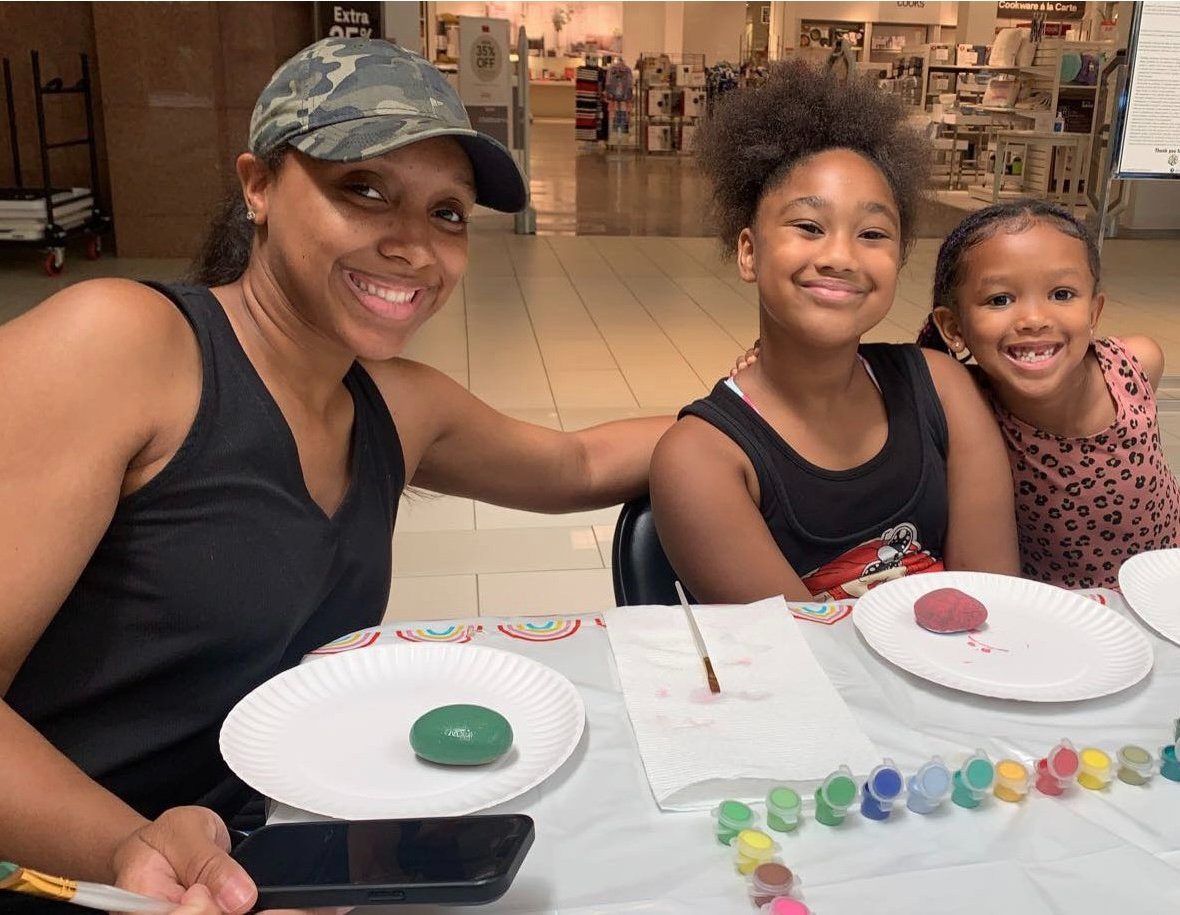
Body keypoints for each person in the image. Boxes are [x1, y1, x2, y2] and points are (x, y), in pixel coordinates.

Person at [0, 39, 672, 914]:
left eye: (447, 212)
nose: (415, 247)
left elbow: (576, 463)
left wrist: (754, 402)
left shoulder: (394, 405)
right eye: (364, 189)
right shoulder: (125, 347)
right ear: (258, 186)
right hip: (78, 878)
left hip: (274, 866)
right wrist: (129, 847)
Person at [649, 61, 1018, 604]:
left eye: (872, 234)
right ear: (749, 252)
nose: (841, 256)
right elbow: (800, 650)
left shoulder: (942, 389)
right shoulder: (702, 460)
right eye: (808, 226)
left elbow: (994, 602)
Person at [916, 199, 1180, 589]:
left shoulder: (1137, 364)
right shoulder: (968, 409)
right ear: (954, 328)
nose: (1034, 320)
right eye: (1000, 300)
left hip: (1165, 586)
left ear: (1093, 312)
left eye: (1062, 294)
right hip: (1059, 609)